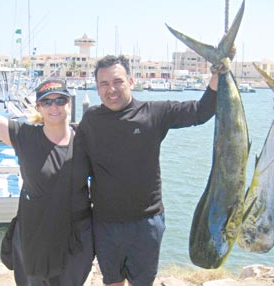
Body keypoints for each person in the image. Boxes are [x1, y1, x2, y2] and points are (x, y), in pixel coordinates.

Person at [76, 55, 219, 286]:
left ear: (131, 81)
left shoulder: (154, 113)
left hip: (146, 224)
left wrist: (218, 73)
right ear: (97, 87)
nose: (111, 89)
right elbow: (72, 158)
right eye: (103, 84)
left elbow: (201, 112)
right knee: (112, 282)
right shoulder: (91, 119)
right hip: (105, 223)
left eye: (118, 81)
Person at [0, 61, 93, 286]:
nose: (55, 107)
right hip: (35, 236)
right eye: (47, 102)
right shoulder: (24, 136)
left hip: (76, 238)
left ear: (69, 104)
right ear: (38, 108)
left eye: (60, 100)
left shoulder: (85, 139)